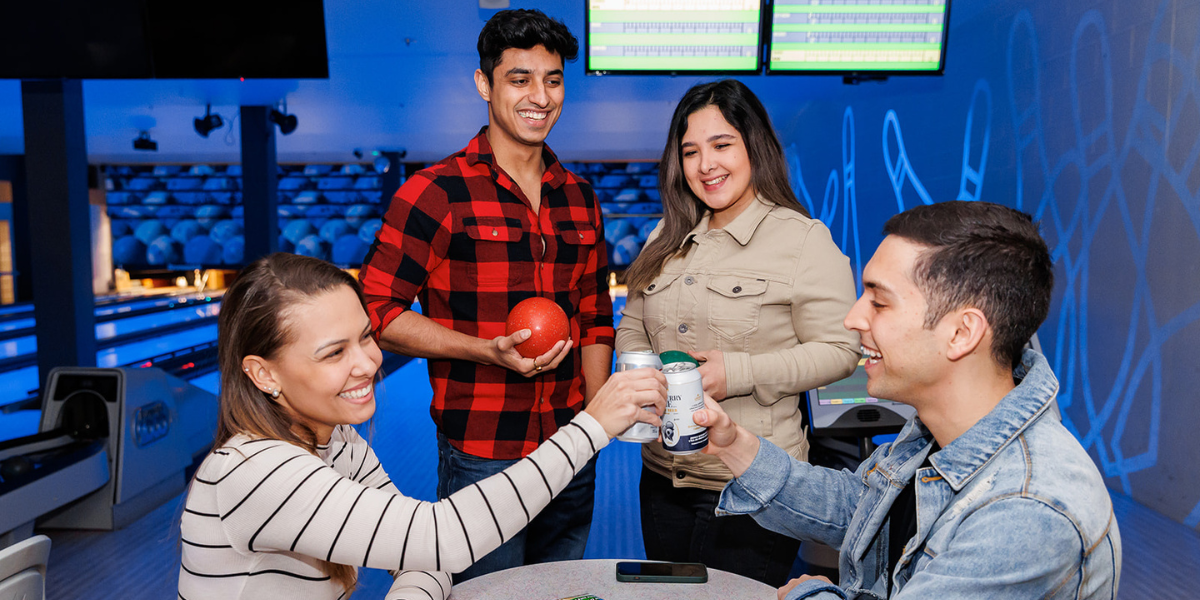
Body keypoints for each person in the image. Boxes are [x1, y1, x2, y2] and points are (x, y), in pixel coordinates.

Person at [693, 201, 1122, 599]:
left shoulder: (1026, 512)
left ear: (962, 333)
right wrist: (732, 445)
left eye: (879, 302)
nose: (853, 318)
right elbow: (859, 508)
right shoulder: (938, 433)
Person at [178, 253, 667, 600]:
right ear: (263, 373)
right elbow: (444, 537)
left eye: (367, 337)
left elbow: (425, 555)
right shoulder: (253, 473)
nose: (368, 363)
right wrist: (590, 427)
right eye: (334, 353)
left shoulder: (338, 442)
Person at [358, 9, 613, 581]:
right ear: (484, 85)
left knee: (557, 591)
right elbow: (375, 311)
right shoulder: (434, 192)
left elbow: (596, 315)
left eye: (553, 79)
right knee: (487, 595)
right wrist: (486, 350)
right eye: (519, 78)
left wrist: (595, 423)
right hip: (483, 452)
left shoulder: (580, 198)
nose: (539, 96)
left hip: (572, 446)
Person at [614, 79, 861, 586]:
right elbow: (633, 323)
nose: (706, 164)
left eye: (722, 145)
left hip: (750, 481)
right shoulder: (668, 234)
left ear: (754, 146)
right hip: (663, 476)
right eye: (690, 151)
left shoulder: (802, 240)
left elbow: (841, 350)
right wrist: (639, 372)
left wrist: (740, 372)